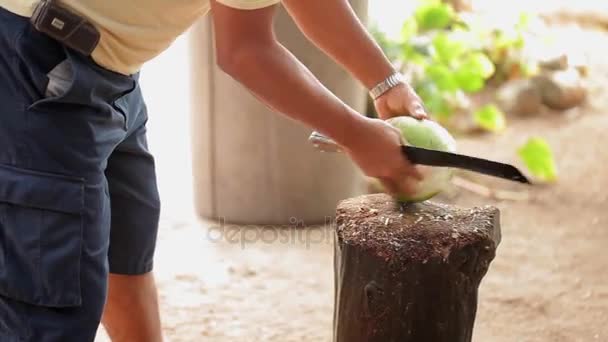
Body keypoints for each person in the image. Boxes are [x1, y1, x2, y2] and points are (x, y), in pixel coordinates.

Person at [0, 0, 429, 341]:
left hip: (107, 69)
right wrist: (355, 133)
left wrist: (385, 82)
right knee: (49, 303)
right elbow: (245, 50)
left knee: (125, 251)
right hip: (36, 64)